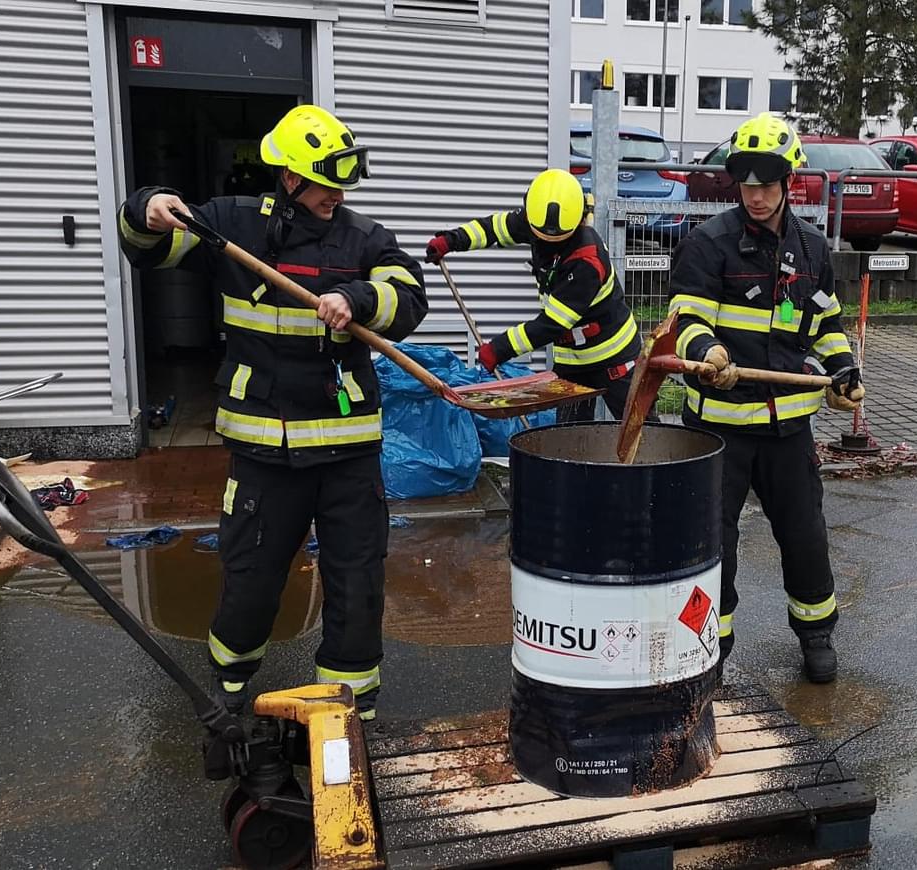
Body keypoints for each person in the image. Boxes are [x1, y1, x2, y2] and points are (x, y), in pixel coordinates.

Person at [117, 105, 429, 720]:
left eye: (343, 184)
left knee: (357, 581)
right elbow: (149, 247)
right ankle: (231, 692)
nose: (338, 196)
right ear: (290, 178)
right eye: (326, 184)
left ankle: (350, 710)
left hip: (347, 453)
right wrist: (145, 207)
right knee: (251, 575)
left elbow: (408, 296)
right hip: (266, 453)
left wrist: (358, 297)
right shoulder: (232, 226)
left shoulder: (365, 238)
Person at [668, 112, 863, 684]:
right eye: (746, 185)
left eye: (767, 185)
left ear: (788, 183)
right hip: (720, 429)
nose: (755, 196)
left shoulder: (812, 248)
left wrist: (842, 368)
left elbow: (825, 323)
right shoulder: (708, 244)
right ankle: (709, 647)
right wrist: (707, 351)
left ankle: (816, 634)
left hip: (788, 431)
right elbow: (685, 320)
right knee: (711, 544)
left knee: (805, 536)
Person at [424, 168, 647, 422]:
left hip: (613, 358)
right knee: (568, 436)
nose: (546, 244)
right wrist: (451, 240)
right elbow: (493, 229)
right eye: (540, 238)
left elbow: (552, 324)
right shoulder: (536, 219)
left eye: (557, 240)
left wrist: (500, 348)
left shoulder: (586, 261)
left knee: (642, 429)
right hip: (571, 361)